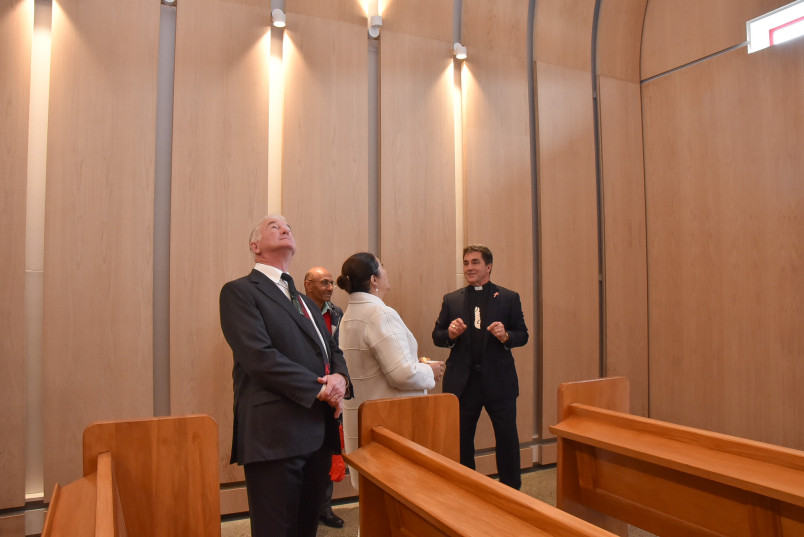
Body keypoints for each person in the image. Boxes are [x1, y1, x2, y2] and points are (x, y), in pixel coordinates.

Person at [219, 215, 351, 537]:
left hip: (317, 433)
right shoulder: (239, 292)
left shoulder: (306, 302)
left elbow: (333, 351)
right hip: (274, 436)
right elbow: (258, 356)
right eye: (273, 227)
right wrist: (319, 389)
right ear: (255, 246)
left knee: (306, 528)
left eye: (288, 226)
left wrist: (340, 380)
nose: (284, 228)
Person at [336, 252, 445, 489]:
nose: (386, 271)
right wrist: (430, 371)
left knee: (373, 504)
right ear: (374, 280)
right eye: (382, 267)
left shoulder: (350, 315)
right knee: (397, 498)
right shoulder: (380, 313)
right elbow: (401, 374)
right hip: (389, 421)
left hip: (365, 419)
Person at [432, 244, 528, 489]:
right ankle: (466, 490)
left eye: (475, 262)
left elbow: (523, 335)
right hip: (463, 384)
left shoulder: (508, 298)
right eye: (466, 263)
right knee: (462, 441)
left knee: (507, 439)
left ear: (489, 266)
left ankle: (511, 491)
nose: (469, 268)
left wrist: (506, 336)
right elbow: (437, 335)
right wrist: (450, 334)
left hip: (499, 381)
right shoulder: (451, 299)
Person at [303, 266, 345, 529]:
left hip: (334, 388)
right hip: (309, 387)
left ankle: (325, 508)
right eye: (323, 282)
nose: (330, 287)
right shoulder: (297, 310)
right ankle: (306, 507)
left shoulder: (337, 313)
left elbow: (337, 348)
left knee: (330, 449)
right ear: (308, 285)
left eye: (331, 283)